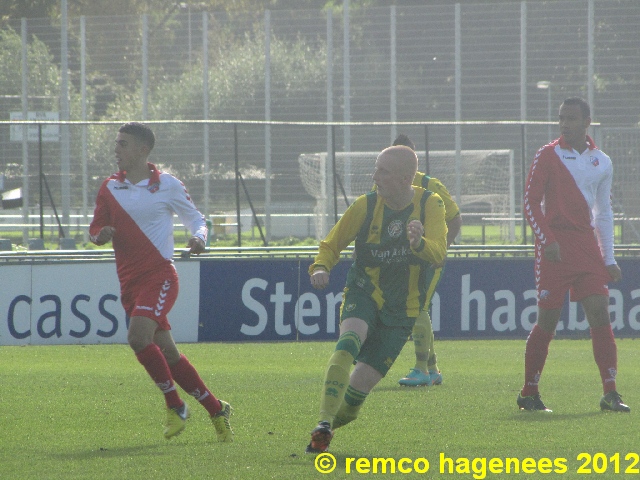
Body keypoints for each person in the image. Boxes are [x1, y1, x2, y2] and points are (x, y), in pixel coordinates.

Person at [89, 122, 235, 440]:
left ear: (143, 150)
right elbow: (94, 228)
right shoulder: (109, 187)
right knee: (168, 355)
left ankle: (175, 406)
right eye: (116, 143)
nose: (116, 149)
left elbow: (197, 218)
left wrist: (200, 237)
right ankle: (216, 409)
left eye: (123, 144)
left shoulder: (166, 184)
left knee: (138, 338)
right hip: (130, 284)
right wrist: (101, 235)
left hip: (160, 276)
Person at [305, 145, 448, 453]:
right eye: (376, 169)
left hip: (403, 309)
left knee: (355, 400)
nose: (375, 176)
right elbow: (332, 243)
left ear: (405, 177)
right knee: (350, 340)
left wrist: (418, 242)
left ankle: (330, 427)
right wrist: (320, 266)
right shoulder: (365, 205)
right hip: (365, 289)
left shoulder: (430, 204)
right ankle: (324, 422)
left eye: (383, 171)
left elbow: (439, 254)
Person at [518, 97, 629, 413]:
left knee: (599, 314)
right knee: (548, 321)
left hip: (586, 249)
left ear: (586, 122)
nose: (564, 123)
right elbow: (530, 203)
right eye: (560, 118)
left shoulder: (602, 160)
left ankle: (610, 392)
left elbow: (603, 210)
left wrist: (609, 258)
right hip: (554, 249)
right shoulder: (547, 154)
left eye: (570, 118)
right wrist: (547, 239)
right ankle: (529, 391)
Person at [392, 134, 462, 387]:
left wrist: (441, 250)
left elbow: (455, 219)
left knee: (417, 308)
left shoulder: (431, 185)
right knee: (416, 308)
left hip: (428, 258)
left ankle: (421, 368)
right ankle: (432, 369)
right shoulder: (387, 185)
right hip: (402, 260)